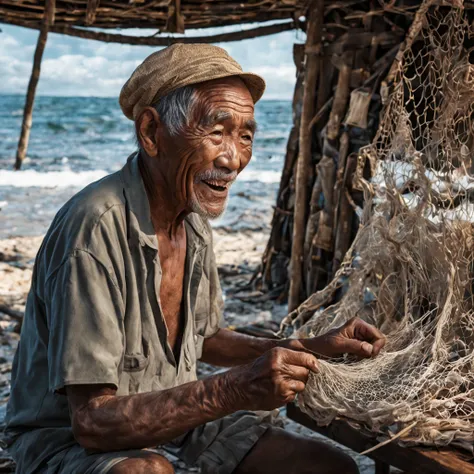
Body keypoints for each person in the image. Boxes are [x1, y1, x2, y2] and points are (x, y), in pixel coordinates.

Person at [5, 44, 385, 474]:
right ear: (152, 132)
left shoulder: (192, 221)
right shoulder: (94, 228)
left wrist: (310, 348)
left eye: (245, 136)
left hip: (170, 422)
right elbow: (92, 422)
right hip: (65, 440)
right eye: (216, 131)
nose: (233, 158)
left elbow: (205, 338)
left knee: (327, 466)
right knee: (147, 472)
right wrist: (233, 390)